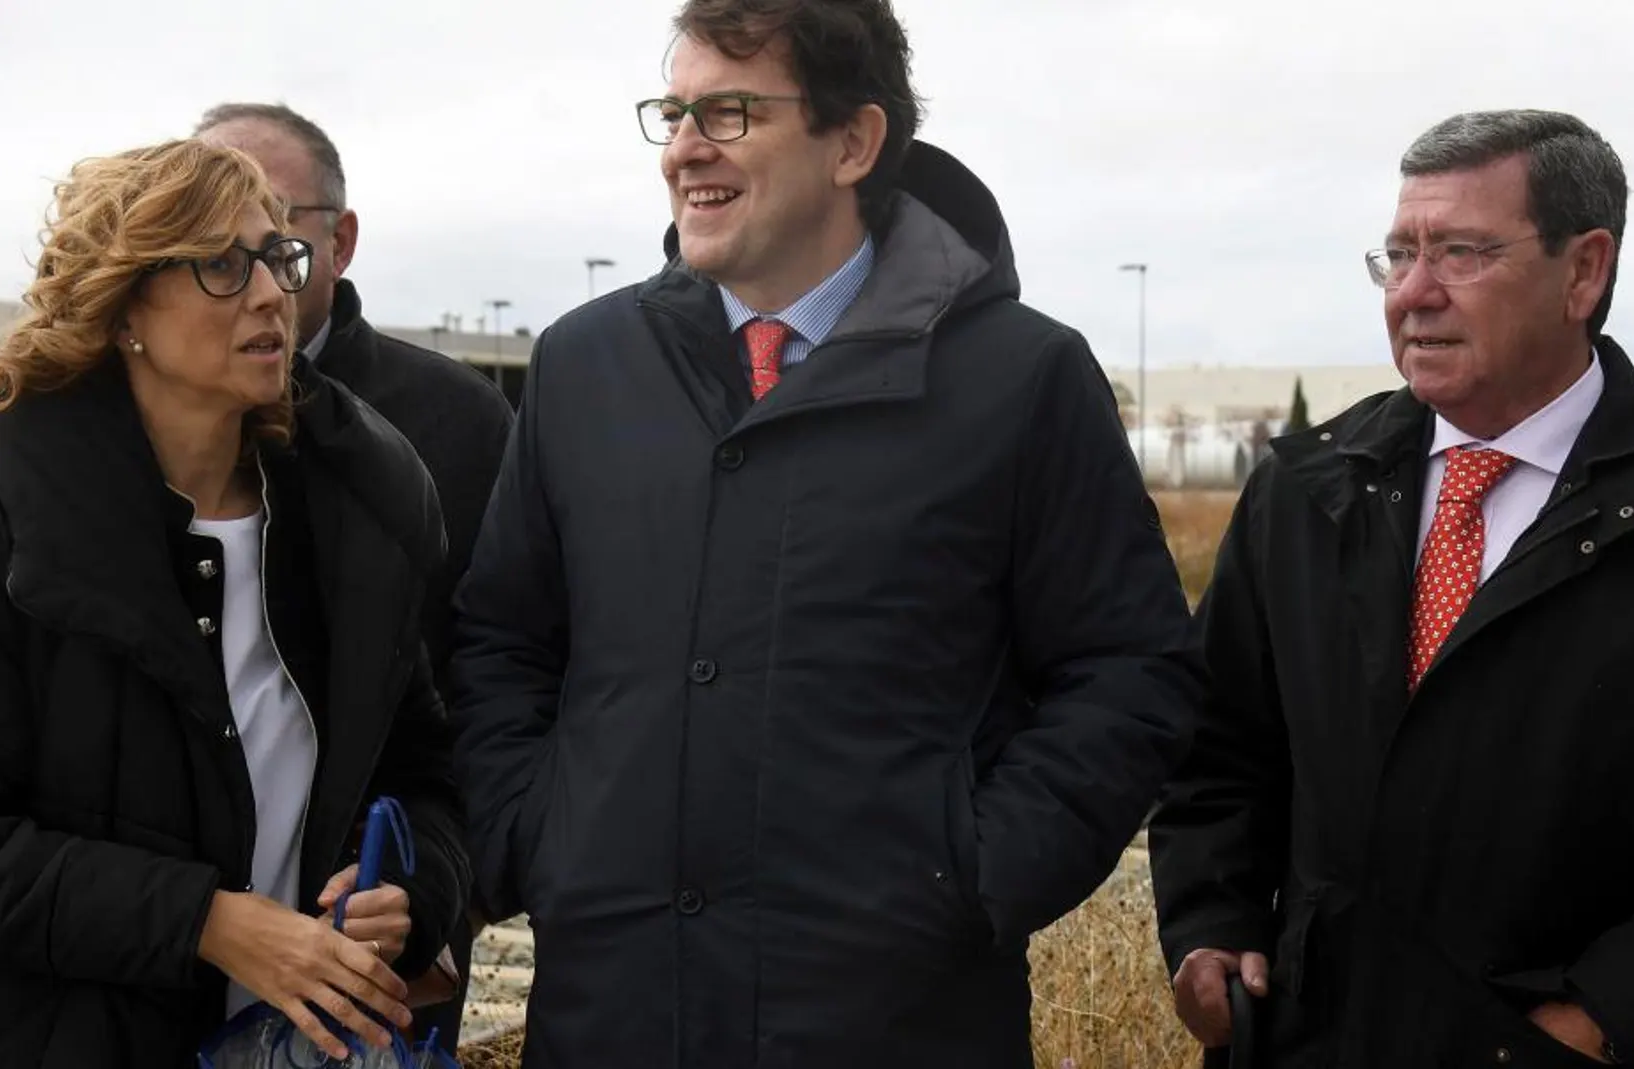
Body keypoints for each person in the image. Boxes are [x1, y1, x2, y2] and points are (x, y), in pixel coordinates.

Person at [447, 0, 1198, 1065]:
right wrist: (536, 839)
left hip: (896, 1020)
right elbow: (502, 642)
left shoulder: (1019, 378)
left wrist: (970, 876)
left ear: (854, 141)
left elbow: (1128, 671)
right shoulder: (584, 367)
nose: (683, 150)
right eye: (672, 112)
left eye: (730, 112)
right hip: (613, 1013)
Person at [1149, 109, 1634, 1068]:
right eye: (1397, 255)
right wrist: (1210, 926)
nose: (1413, 294)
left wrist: (1600, 1024)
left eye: (1462, 252)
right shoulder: (1305, 491)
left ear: (1583, 271)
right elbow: (1218, 752)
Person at [0, 139, 469, 1068]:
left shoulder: (342, 530)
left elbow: (428, 775)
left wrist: (412, 893)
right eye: (222, 264)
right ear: (123, 305)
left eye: (276, 257)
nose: (270, 293)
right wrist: (209, 923)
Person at [193, 102, 516, 1050]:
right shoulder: (80, 470)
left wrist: (445, 891)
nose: (249, 273)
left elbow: (494, 676)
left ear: (340, 240)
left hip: (379, 944)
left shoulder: (458, 424)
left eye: (273, 230)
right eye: (209, 237)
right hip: (161, 950)